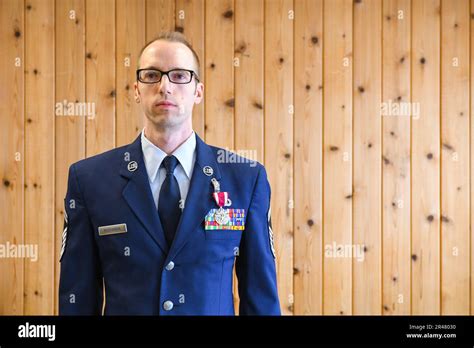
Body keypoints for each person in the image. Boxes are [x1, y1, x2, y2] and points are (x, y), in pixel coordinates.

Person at [59, 31, 280, 315]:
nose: (164, 86)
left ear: (198, 91)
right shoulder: (88, 180)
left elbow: (261, 300)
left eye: (179, 75)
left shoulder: (246, 180)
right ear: (136, 90)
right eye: (152, 75)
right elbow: (77, 299)